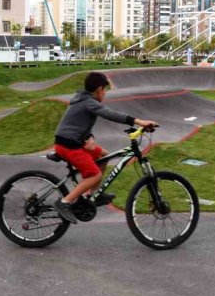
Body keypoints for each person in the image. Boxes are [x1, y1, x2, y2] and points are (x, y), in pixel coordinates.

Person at [52, 71, 157, 224]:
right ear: (99, 89)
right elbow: (109, 114)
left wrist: (89, 138)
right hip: (68, 145)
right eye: (104, 90)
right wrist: (139, 122)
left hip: (73, 141)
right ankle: (65, 202)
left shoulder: (84, 100)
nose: (105, 93)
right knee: (95, 175)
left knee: (103, 156)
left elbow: (79, 123)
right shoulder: (89, 101)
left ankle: (93, 194)